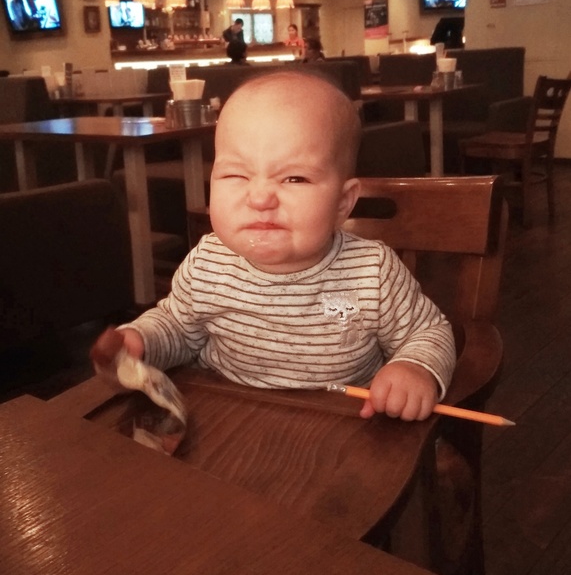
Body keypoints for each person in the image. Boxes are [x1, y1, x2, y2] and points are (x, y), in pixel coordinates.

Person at [91, 72, 456, 422]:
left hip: (344, 427)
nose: (261, 197)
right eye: (236, 174)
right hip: (228, 418)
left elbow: (429, 333)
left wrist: (414, 368)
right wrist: (140, 342)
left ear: (343, 203)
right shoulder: (207, 263)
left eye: (294, 178)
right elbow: (177, 329)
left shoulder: (372, 272)